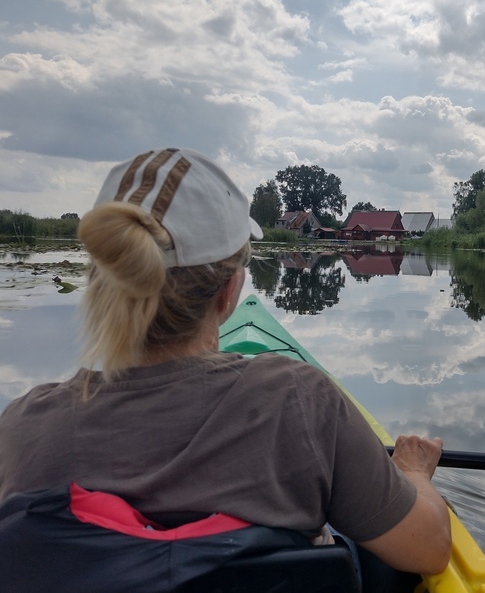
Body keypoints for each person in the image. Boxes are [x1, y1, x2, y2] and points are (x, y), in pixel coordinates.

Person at [0, 148, 451, 577]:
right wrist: (412, 473)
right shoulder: (302, 401)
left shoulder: (22, 430)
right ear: (229, 290)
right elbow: (429, 550)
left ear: (103, 279)